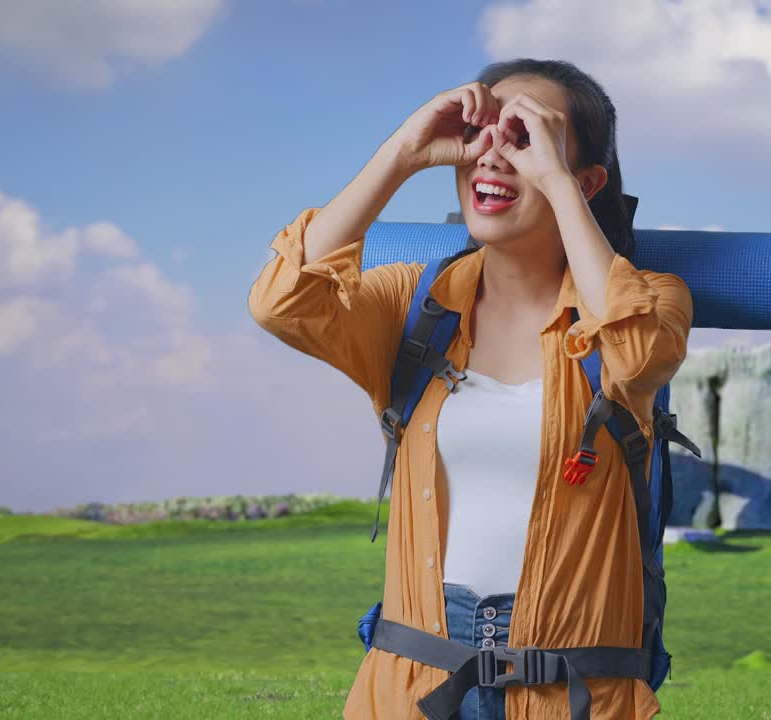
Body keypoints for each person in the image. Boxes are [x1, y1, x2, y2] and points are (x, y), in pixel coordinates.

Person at [248, 58, 693, 720]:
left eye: (526, 138)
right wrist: (403, 152)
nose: (492, 154)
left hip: (575, 698)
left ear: (587, 180)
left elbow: (635, 352)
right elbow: (283, 302)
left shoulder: (652, 299)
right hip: (411, 691)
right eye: (481, 132)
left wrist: (558, 185)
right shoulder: (413, 305)